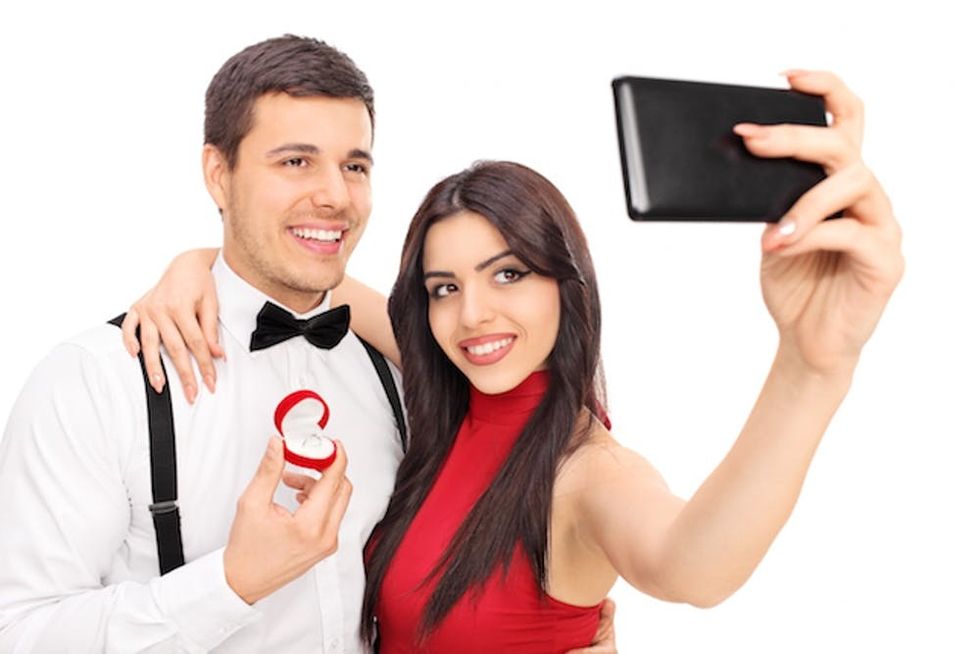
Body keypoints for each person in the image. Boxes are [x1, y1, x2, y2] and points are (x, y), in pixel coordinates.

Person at [126, 73, 903, 651]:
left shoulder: (585, 471)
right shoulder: (449, 384)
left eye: (509, 274)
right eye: (444, 287)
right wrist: (195, 263)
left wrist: (812, 365)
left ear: (566, 283)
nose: (473, 316)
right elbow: (305, 279)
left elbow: (690, 566)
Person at [0, 35, 614, 653]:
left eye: (354, 165)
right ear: (219, 174)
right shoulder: (95, 381)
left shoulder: (403, 371)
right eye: (296, 161)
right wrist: (231, 582)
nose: (336, 196)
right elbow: (19, 632)